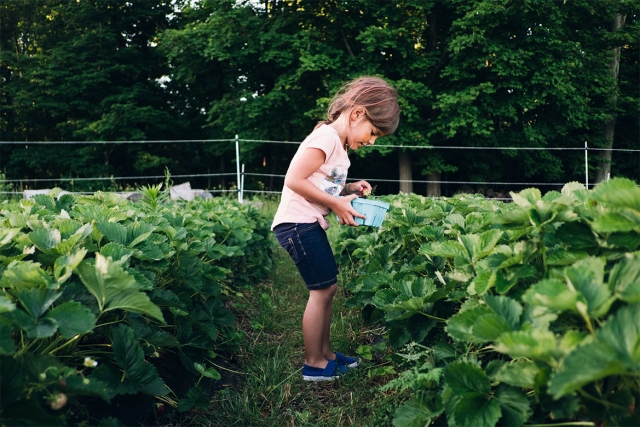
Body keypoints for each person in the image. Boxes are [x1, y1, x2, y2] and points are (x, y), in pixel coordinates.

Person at [271, 76, 401, 381]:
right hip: (296, 224)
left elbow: (320, 184)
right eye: (373, 133)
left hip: (306, 224)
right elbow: (294, 180)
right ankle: (314, 363)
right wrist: (341, 205)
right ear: (357, 114)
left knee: (328, 287)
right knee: (322, 290)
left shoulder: (337, 145)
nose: (371, 141)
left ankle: (326, 354)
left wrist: (348, 188)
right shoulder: (326, 138)